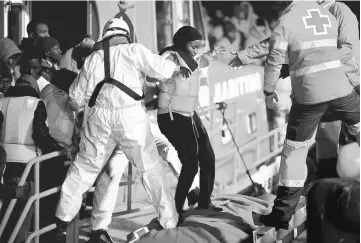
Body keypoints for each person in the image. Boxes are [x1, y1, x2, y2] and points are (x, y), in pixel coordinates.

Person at [55, 17, 192, 232]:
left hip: (99, 119)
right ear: (125, 35)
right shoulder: (134, 50)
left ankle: (63, 217)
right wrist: (177, 69)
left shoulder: (93, 59)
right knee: (149, 169)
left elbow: (74, 99)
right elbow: (162, 69)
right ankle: (169, 220)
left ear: (105, 37)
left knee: (85, 168)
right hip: (131, 117)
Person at [247, 0, 359, 230]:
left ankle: (281, 215)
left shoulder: (288, 20)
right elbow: (338, 55)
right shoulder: (327, 17)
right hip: (342, 91)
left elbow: (274, 60)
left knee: (294, 154)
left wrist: (269, 91)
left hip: (310, 97)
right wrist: (356, 86)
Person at [228, 0, 360, 180]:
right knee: (325, 139)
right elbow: (280, 40)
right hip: (321, 92)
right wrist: (245, 56)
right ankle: (324, 181)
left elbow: (348, 50)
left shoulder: (340, 11)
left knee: (347, 136)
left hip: (345, 86)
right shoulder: (308, 12)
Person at [156, 26, 225, 214]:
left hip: (190, 115)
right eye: (193, 46)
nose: (196, 50)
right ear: (182, 42)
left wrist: (211, 54)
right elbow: (153, 74)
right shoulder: (169, 57)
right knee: (191, 163)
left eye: (198, 47)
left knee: (208, 157)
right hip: (171, 116)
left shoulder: (188, 58)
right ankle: (177, 209)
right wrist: (175, 71)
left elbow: (197, 62)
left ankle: (205, 202)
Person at [0, 55, 65, 243]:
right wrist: (59, 149)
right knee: (23, 212)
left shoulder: (3, 101)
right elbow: (40, 134)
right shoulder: (36, 104)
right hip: (28, 166)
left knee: (6, 210)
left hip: (4, 164)